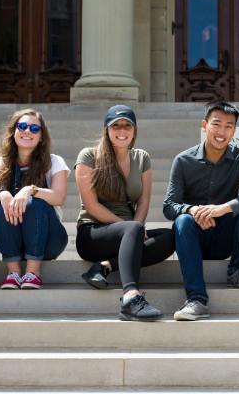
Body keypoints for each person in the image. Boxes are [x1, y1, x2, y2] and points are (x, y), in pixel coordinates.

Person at [164, 100, 239, 321]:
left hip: (226, 236)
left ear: (234, 131)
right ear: (204, 126)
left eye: (229, 126)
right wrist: (194, 210)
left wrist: (222, 209)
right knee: (182, 220)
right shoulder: (183, 161)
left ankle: (238, 271)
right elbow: (169, 206)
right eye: (216, 124)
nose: (222, 131)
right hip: (195, 238)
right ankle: (197, 300)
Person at [75, 105, 175, 322]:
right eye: (116, 125)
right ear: (107, 130)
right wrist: (133, 228)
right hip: (93, 233)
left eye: (127, 125)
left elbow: (144, 200)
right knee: (133, 228)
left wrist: (137, 228)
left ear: (134, 130)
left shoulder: (142, 158)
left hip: (128, 233)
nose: (122, 130)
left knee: (171, 236)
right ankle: (130, 297)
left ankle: (104, 267)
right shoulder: (89, 156)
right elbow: (91, 206)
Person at [0, 109, 69, 290]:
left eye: (35, 129)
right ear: (13, 133)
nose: (27, 131)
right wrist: (1, 194)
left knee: (34, 202)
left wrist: (31, 190)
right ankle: (13, 273)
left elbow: (59, 197)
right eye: (22, 126)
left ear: (41, 137)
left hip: (49, 240)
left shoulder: (54, 161)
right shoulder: (0, 164)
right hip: (12, 240)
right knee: (0, 203)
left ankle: (33, 272)